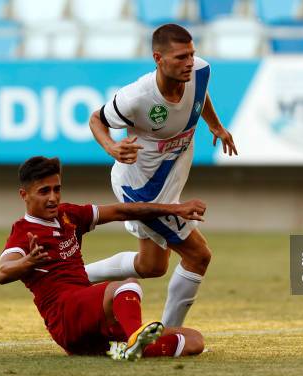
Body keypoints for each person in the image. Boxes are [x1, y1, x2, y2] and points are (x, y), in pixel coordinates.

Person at [87, 23, 237, 328]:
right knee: (198, 255)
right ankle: (168, 333)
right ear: (158, 58)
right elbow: (96, 120)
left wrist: (215, 126)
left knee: (152, 266)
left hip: (167, 184)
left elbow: (199, 98)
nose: (189, 63)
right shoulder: (137, 98)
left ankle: (77, 276)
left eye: (192, 55)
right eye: (181, 57)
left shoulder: (200, 72)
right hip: (142, 189)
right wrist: (113, 148)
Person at [0, 156, 205, 360]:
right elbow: (3, 272)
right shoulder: (23, 231)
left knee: (194, 340)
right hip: (65, 316)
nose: (53, 197)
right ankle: (135, 338)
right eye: (44, 191)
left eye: (57, 189)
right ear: (24, 195)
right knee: (127, 286)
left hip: (88, 323)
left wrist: (175, 209)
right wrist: (27, 262)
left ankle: (129, 348)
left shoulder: (68, 214)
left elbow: (120, 211)